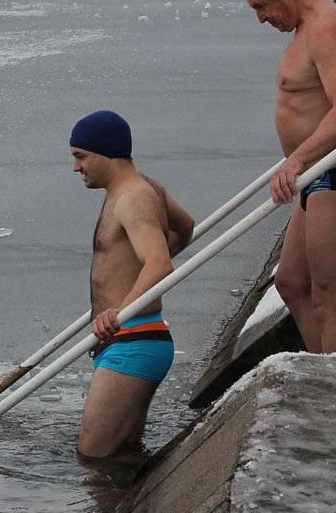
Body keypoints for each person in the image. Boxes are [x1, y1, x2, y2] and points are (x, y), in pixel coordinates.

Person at [235, 0, 336, 355]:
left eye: (262, 7)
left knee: (329, 297)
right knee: (292, 283)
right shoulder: (308, 27)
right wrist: (300, 163)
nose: (261, 18)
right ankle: (323, 367)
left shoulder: (326, 29)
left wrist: (296, 158)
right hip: (316, 175)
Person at [69, 110, 194, 459]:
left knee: (93, 455)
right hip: (133, 339)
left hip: (133, 342)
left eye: (81, 157)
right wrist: (134, 274)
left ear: (107, 152)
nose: (76, 168)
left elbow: (160, 264)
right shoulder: (145, 187)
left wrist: (119, 310)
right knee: (120, 451)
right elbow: (185, 227)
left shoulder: (132, 198)